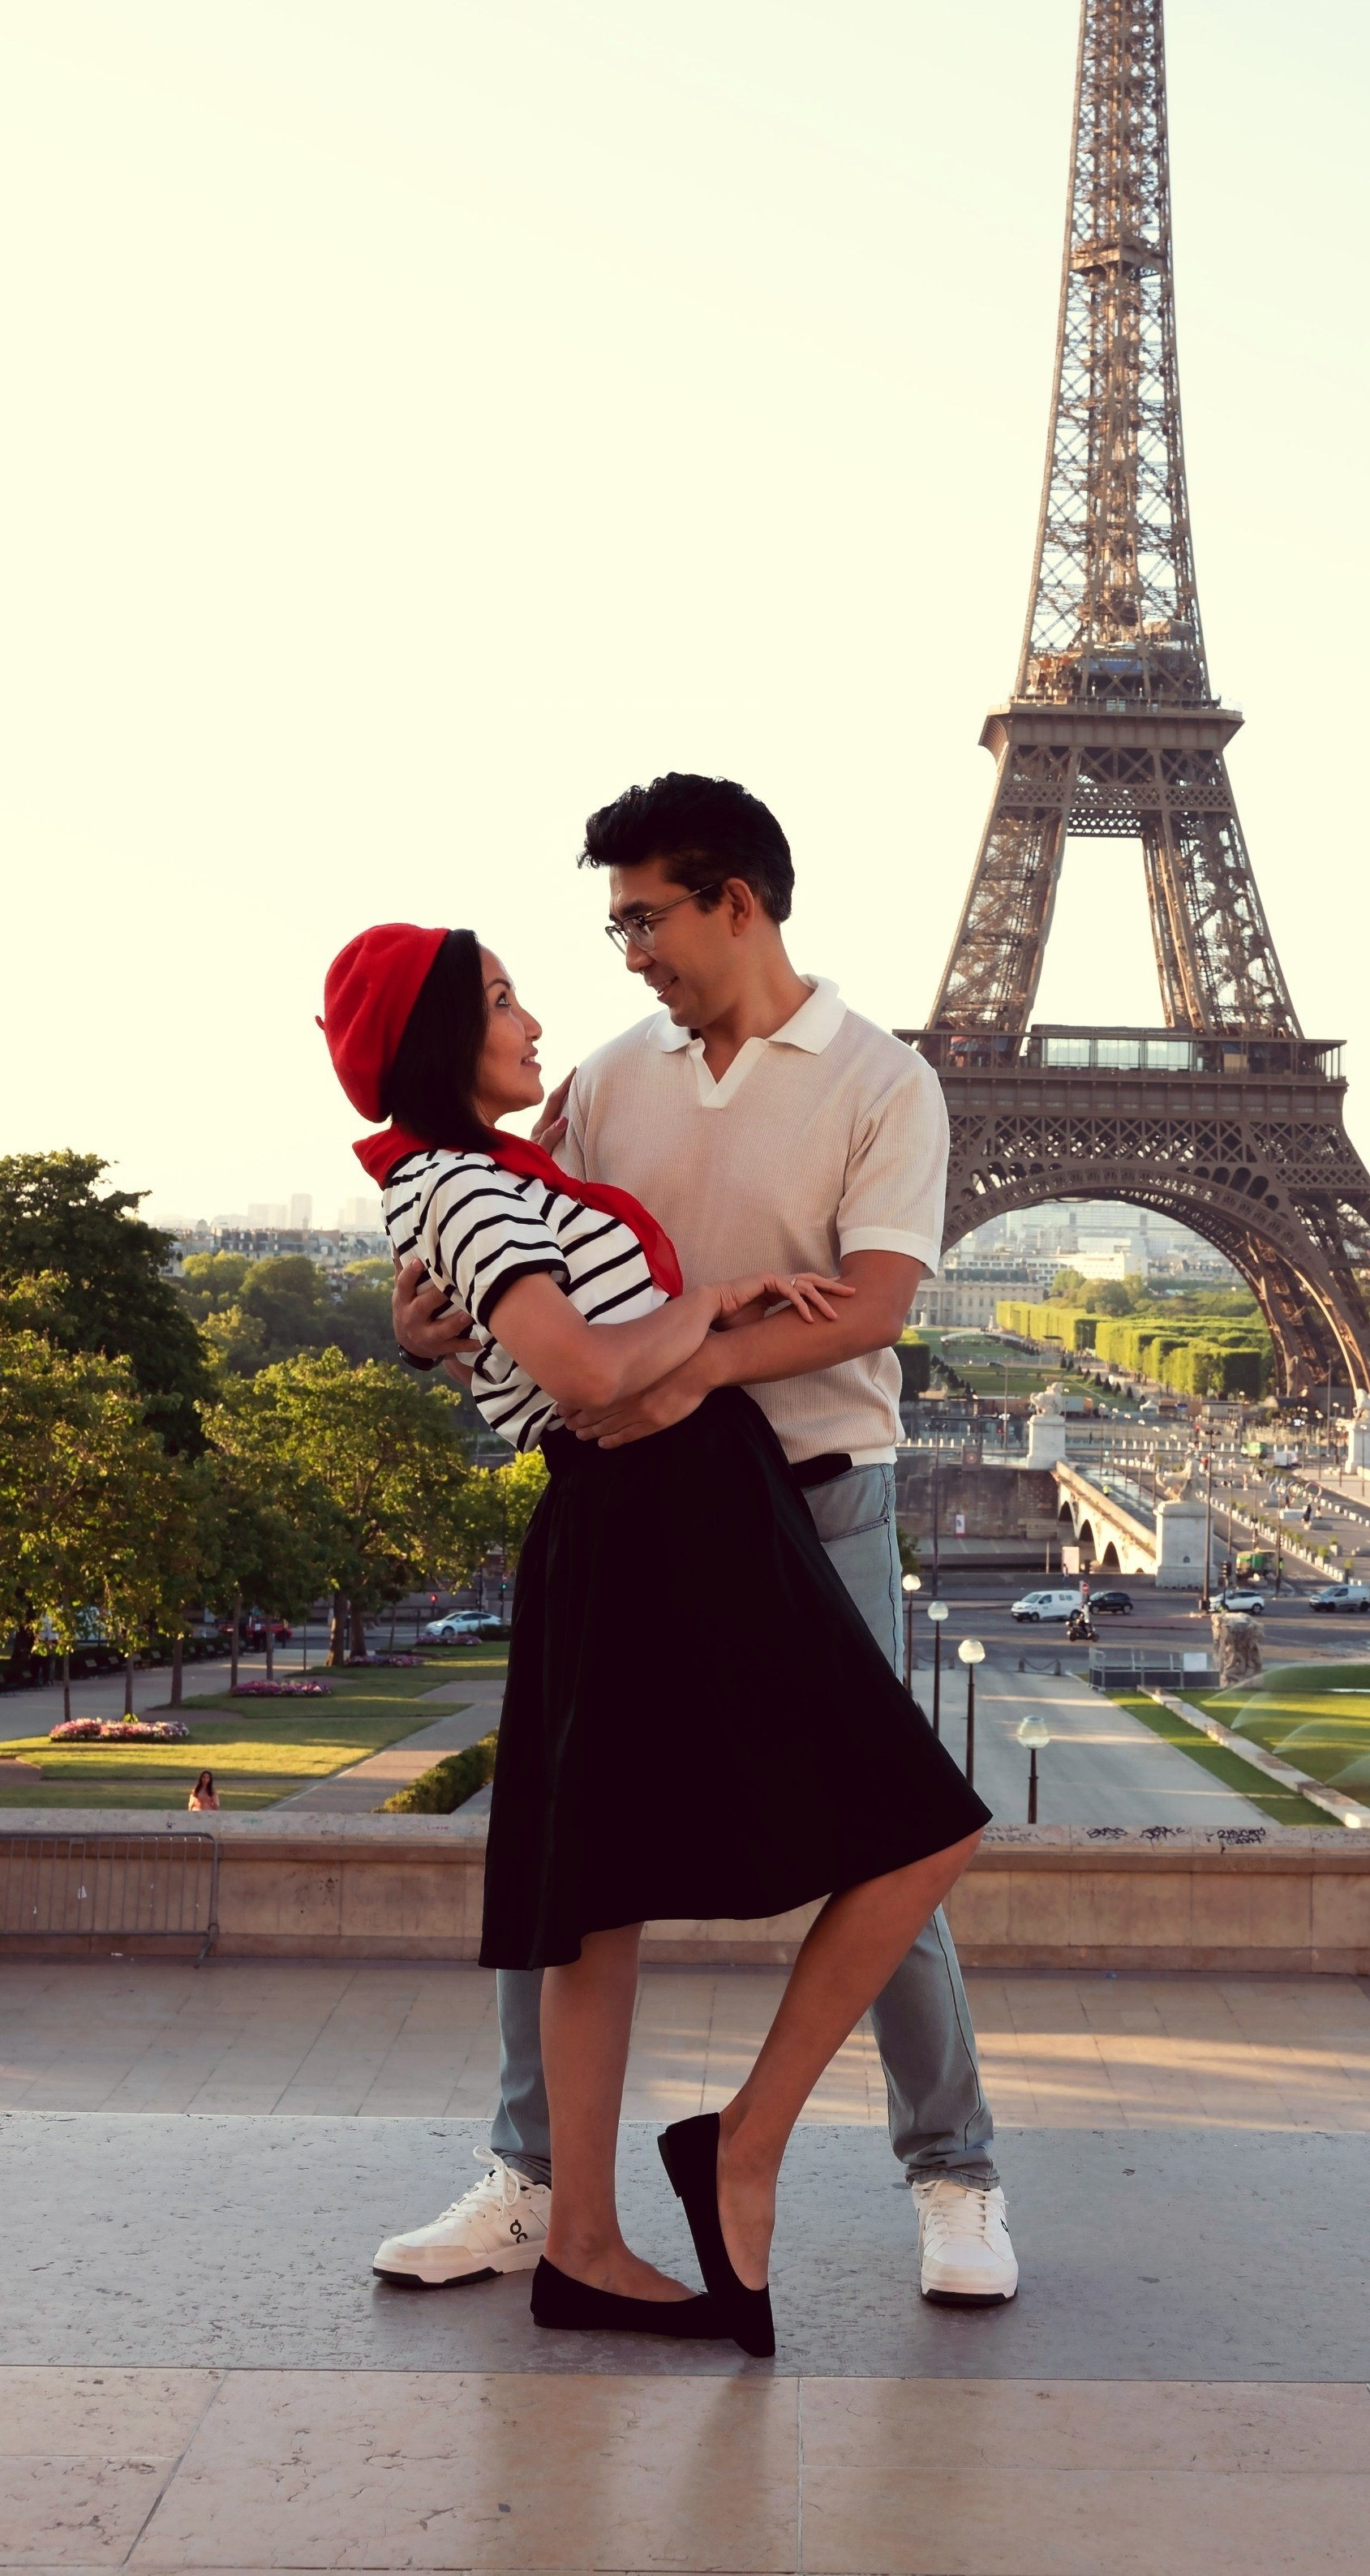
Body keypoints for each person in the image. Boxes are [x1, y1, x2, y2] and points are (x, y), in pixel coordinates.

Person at [382, 775, 1020, 2309]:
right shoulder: (604, 1079)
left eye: (644, 918)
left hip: (813, 1498)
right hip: (642, 1514)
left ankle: (953, 2174)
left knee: (886, 1841)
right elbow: (489, 1232)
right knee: (571, 1864)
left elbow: (871, 1305)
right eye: (611, 926)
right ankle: (533, 2178)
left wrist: (691, 1359)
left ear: (736, 898)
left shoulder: (882, 1082)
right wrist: (415, 1335)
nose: (626, 951)